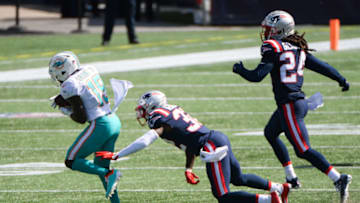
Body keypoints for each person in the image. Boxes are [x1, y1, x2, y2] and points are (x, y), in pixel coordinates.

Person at [232, 10, 351, 203]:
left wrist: (240, 70)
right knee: (270, 132)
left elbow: (257, 76)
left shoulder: (274, 47)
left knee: (303, 150)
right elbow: (323, 66)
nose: (266, 33)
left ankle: (338, 178)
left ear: (279, 30)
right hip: (296, 104)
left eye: (269, 29)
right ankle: (291, 177)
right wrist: (341, 79)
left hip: (290, 105)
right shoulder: (297, 48)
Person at [96, 90, 291, 203]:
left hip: (211, 146)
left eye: (143, 108)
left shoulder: (158, 118)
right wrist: (189, 168)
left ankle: (269, 200)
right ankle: (279, 188)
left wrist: (118, 154)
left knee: (222, 195)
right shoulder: (171, 110)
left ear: (152, 106)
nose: (141, 113)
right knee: (238, 178)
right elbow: (189, 141)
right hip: (216, 138)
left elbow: (147, 139)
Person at [48, 51, 122, 202]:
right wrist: (67, 100)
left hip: (101, 124)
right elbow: (86, 94)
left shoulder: (69, 84)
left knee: (71, 160)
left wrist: (66, 110)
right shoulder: (90, 69)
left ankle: (109, 174)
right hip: (113, 120)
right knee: (102, 169)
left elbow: (81, 118)